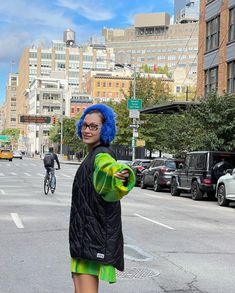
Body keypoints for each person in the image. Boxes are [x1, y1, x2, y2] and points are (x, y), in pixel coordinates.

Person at [69, 104, 136, 293]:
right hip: (84, 236)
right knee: (78, 286)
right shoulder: (91, 155)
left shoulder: (101, 154)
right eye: (85, 125)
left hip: (92, 238)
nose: (87, 130)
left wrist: (117, 172)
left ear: (104, 130)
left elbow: (107, 166)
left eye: (94, 127)